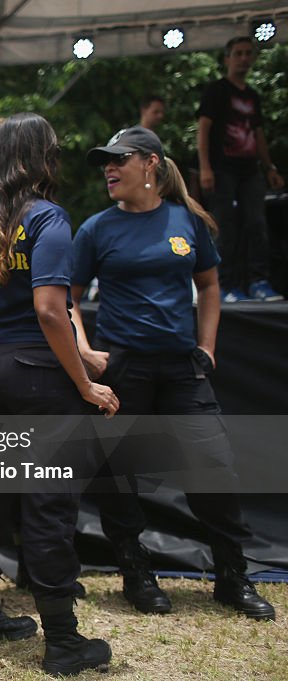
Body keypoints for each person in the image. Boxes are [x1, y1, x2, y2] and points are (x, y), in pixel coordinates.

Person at [72, 125, 276, 621]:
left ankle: (232, 577)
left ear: (152, 166)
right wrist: (85, 351)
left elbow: (209, 287)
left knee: (215, 466)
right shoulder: (96, 229)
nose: (109, 168)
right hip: (125, 369)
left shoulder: (188, 223)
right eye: (106, 161)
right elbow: (68, 298)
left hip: (182, 369)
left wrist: (207, 347)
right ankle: (135, 573)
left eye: (120, 159)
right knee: (119, 476)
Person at [0, 112, 118, 676]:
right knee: (47, 503)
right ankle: (65, 643)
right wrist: (84, 383)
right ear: (42, 157)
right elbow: (52, 310)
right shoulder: (49, 218)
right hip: (38, 376)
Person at [197, 36, 285, 302]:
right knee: (225, 226)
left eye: (249, 53)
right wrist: (205, 168)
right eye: (238, 53)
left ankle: (258, 281)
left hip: (249, 170)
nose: (244, 58)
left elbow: (258, 134)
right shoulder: (217, 90)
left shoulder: (252, 96)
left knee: (257, 224)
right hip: (222, 168)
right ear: (227, 59)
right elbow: (203, 129)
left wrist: (269, 166)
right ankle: (225, 285)